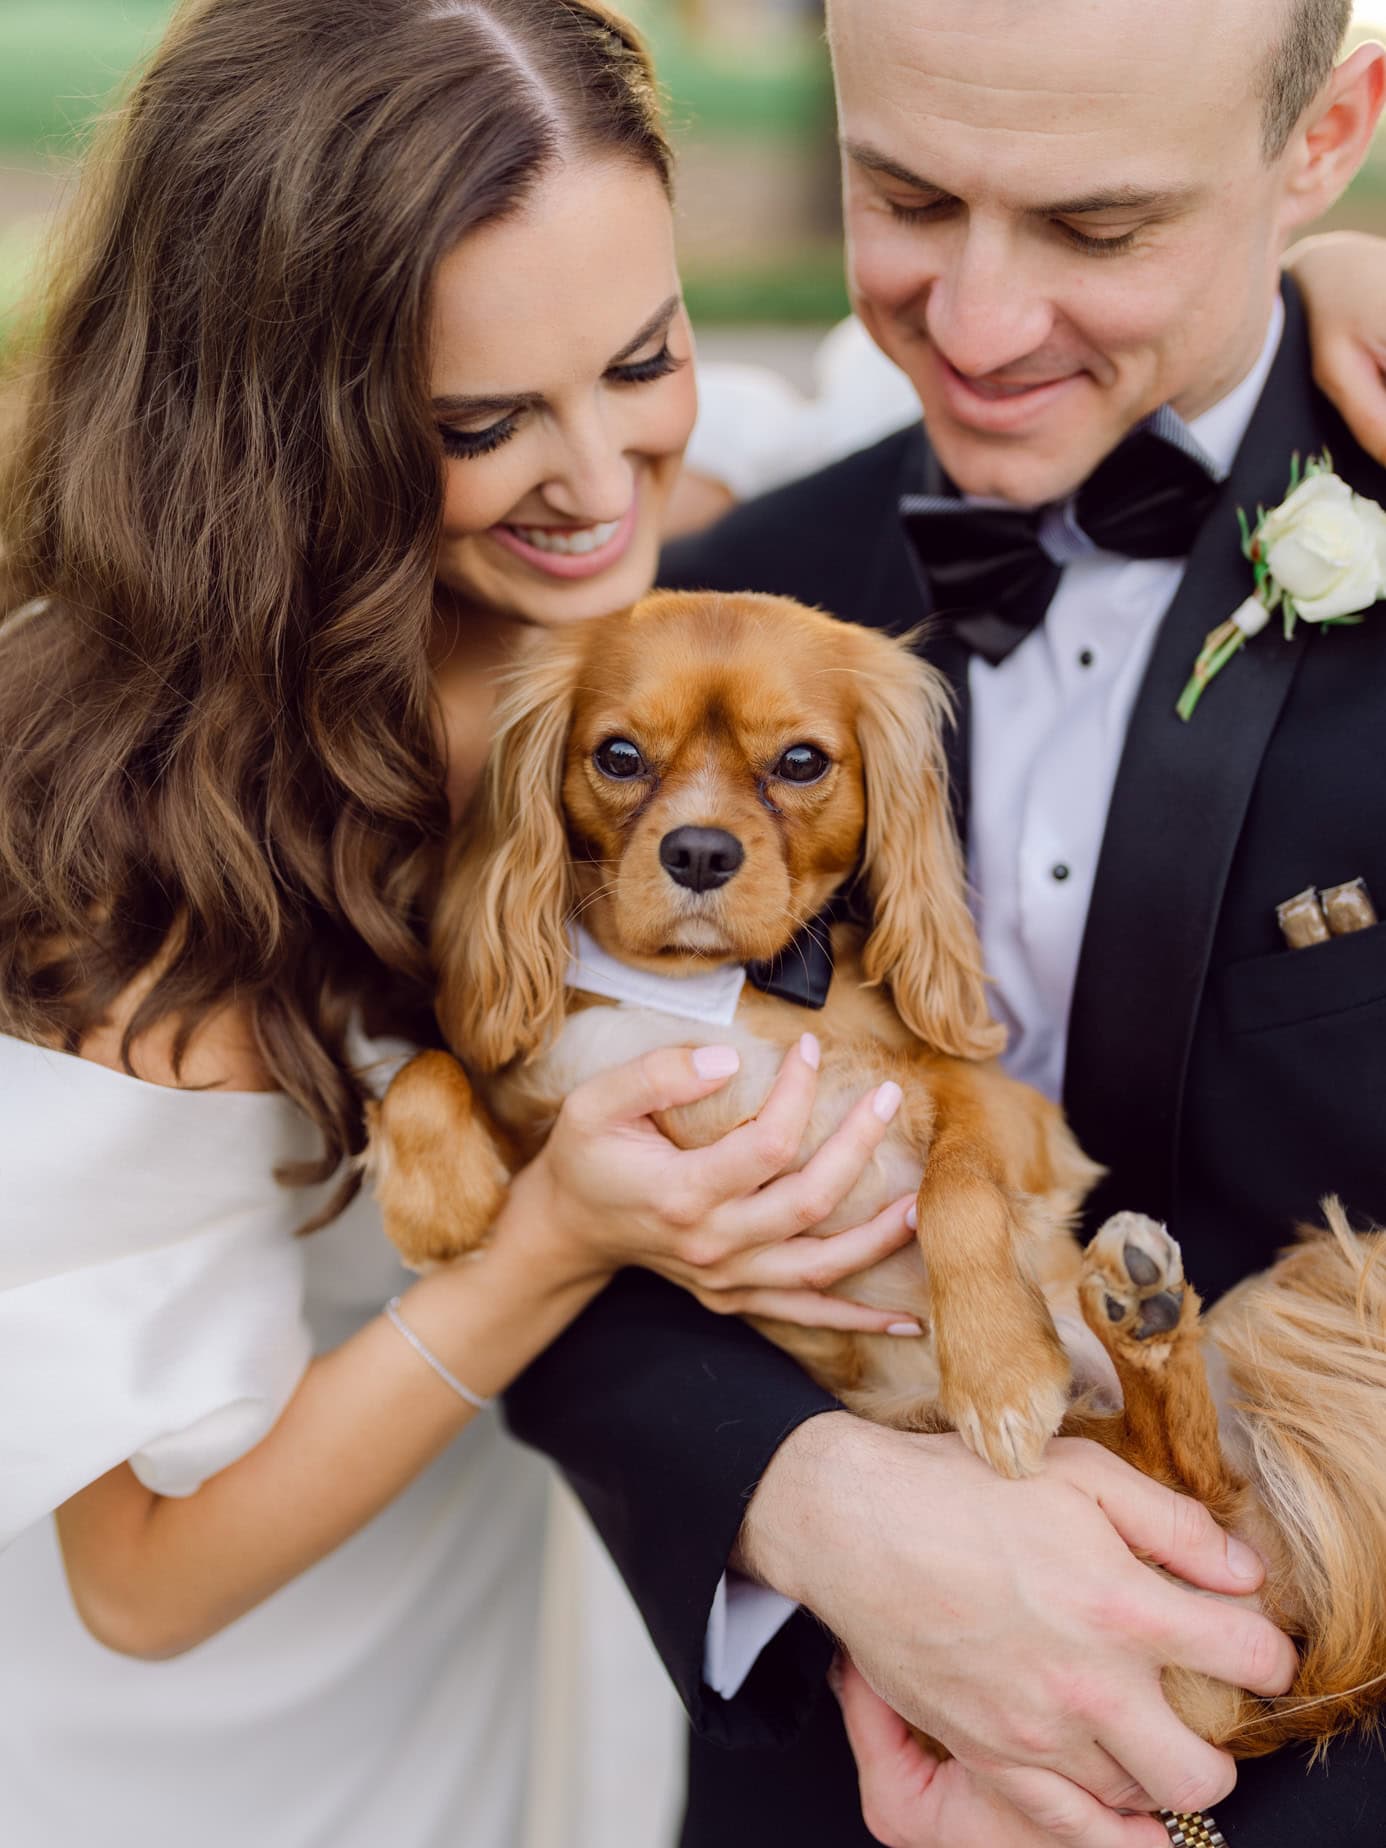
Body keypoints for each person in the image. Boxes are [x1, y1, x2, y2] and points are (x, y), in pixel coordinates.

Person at [0, 4, 946, 1843]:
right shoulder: (147, 840)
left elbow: (877, 399)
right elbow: (143, 1577)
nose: (604, 484)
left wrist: (1309, 279)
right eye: (484, 424)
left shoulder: (628, 569)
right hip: (242, 1735)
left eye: (644, 356)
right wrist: (553, 1242)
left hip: (536, 1602)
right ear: (290, 431)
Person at [504, 2, 1386, 1845]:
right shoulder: (709, 621)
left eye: (1096, 227)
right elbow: (521, 1176)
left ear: (1327, 139)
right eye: (902, 193)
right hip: (823, 1772)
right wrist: (810, 1512)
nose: (975, 331)